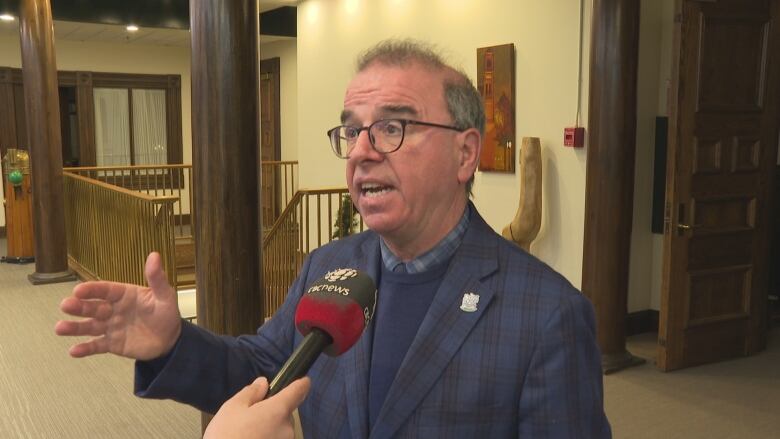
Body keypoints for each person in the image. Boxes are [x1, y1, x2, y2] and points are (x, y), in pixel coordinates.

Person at [57, 39, 611, 438]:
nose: (362, 150)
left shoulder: (548, 315)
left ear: (465, 154)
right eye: (352, 130)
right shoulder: (332, 263)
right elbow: (266, 364)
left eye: (393, 126)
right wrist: (175, 343)